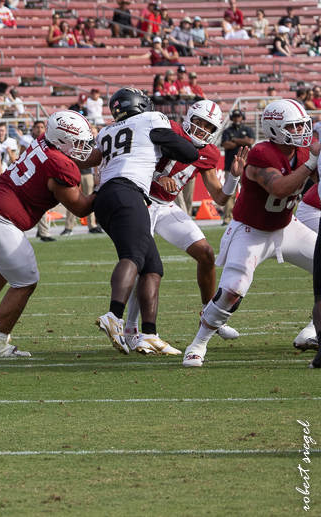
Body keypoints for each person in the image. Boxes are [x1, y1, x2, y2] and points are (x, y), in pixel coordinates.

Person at [184, 100, 320, 367]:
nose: (301, 131)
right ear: (273, 128)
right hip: (251, 231)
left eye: (303, 125)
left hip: (286, 227)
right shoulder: (261, 153)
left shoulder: (303, 152)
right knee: (232, 291)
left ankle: (313, 330)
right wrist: (312, 162)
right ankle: (198, 343)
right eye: (293, 126)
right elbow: (279, 189)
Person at [0, 111, 96, 356]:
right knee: (25, 280)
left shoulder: (44, 141)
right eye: (78, 142)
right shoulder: (60, 165)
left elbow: (78, 158)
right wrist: (112, 187)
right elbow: (80, 206)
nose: (84, 147)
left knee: (6, 267)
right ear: (62, 141)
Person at [75, 87, 199, 355]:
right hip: (127, 192)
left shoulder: (106, 131)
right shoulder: (151, 119)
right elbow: (189, 154)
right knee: (133, 255)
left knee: (152, 267)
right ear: (140, 105)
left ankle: (149, 334)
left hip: (106, 196)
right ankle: (113, 315)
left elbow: (90, 160)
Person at [124, 101, 245, 349]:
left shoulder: (209, 153)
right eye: (198, 122)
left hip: (166, 206)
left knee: (206, 253)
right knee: (144, 265)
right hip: (141, 199)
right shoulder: (168, 131)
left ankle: (210, 316)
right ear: (189, 117)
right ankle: (130, 328)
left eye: (207, 125)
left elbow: (220, 198)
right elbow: (137, 158)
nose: (201, 129)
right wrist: (159, 176)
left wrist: (233, 177)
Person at [220, 109, 255, 225]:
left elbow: (250, 141)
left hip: (246, 167)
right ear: (231, 118)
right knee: (229, 193)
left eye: (238, 116)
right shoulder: (227, 131)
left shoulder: (248, 129)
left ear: (242, 117)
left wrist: (234, 140)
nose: (236, 119)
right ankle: (227, 218)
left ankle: (249, 216)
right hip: (230, 167)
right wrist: (242, 142)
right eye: (234, 117)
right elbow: (226, 144)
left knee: (248, 191)